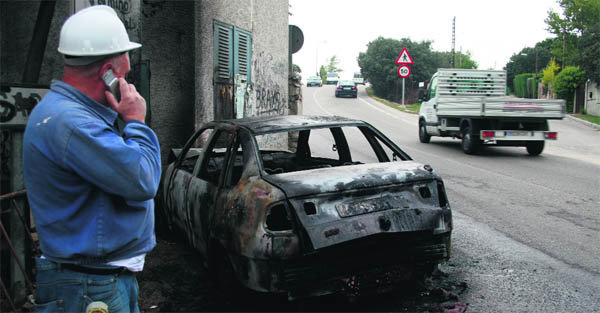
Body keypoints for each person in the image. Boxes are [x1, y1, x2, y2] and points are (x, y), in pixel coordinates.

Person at [23, 5, 161, 312]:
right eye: (123, 74)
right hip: (88, 287)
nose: (127, 83)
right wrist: (136, 121)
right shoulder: (74, 124)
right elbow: (143, 179)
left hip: (96, 280)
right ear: (107, 72)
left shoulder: (67, 114)